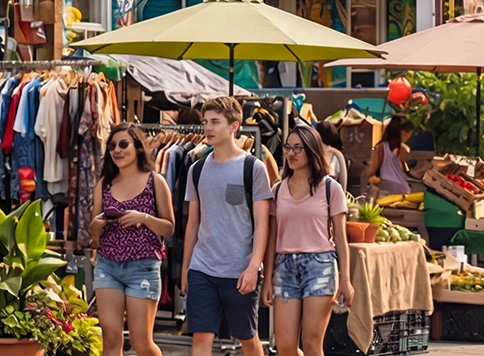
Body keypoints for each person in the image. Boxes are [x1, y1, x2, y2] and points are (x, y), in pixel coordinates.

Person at [181, 96, 274, 356]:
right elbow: (193, 224)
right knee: (200, 338)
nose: (207, 128)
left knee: (248, 338)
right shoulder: (196, 169)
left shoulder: (253, 168)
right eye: (205, 122)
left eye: (215, 122)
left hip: (239, 270)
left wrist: (254, 267)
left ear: (234, 126)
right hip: (202, 268)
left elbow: (262, 223)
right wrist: (187, 268)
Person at [265, 125, 352, 356]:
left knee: (312, 343)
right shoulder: (277, 189)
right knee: (284, 347)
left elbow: (341, 240)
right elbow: (272, 237)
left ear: (311, 151)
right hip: (285, 267)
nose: (291, 153)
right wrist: (267, 278)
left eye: (298, 148)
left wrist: (346, 280)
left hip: (320, 266)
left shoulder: (330, 188)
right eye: (288, 148)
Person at [91, 124, 175, 356]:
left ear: (138, 148)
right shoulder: (104, 184)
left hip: (143, 267)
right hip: (108, 265)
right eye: (112, 146)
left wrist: (144, 218)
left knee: (141, 343)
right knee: (110, 337)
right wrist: (95, 226)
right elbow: (94, 234)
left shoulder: (155, 182)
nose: (117, 150)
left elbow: (169, 228)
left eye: (123, 144)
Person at [367, 117, 414, 198]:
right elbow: (408, 170)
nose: (409, 137)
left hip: (384, 191)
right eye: (409, 134)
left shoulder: (380, 148)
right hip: (402, 191)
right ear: (402, 132)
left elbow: (372, 172)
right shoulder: (404, 149)